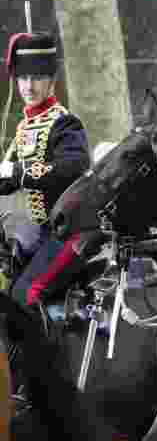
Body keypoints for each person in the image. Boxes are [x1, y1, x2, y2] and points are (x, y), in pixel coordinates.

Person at [0, 31, 89, 306]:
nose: (28, 86)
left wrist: (19, 172)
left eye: (37, 78)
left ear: (51, 80)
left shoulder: (65, 123)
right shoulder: (24, 125)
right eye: (23, 78)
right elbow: (12, 180)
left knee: (25, 295)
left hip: (67, 232)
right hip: (37, 232)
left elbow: (73, 166)